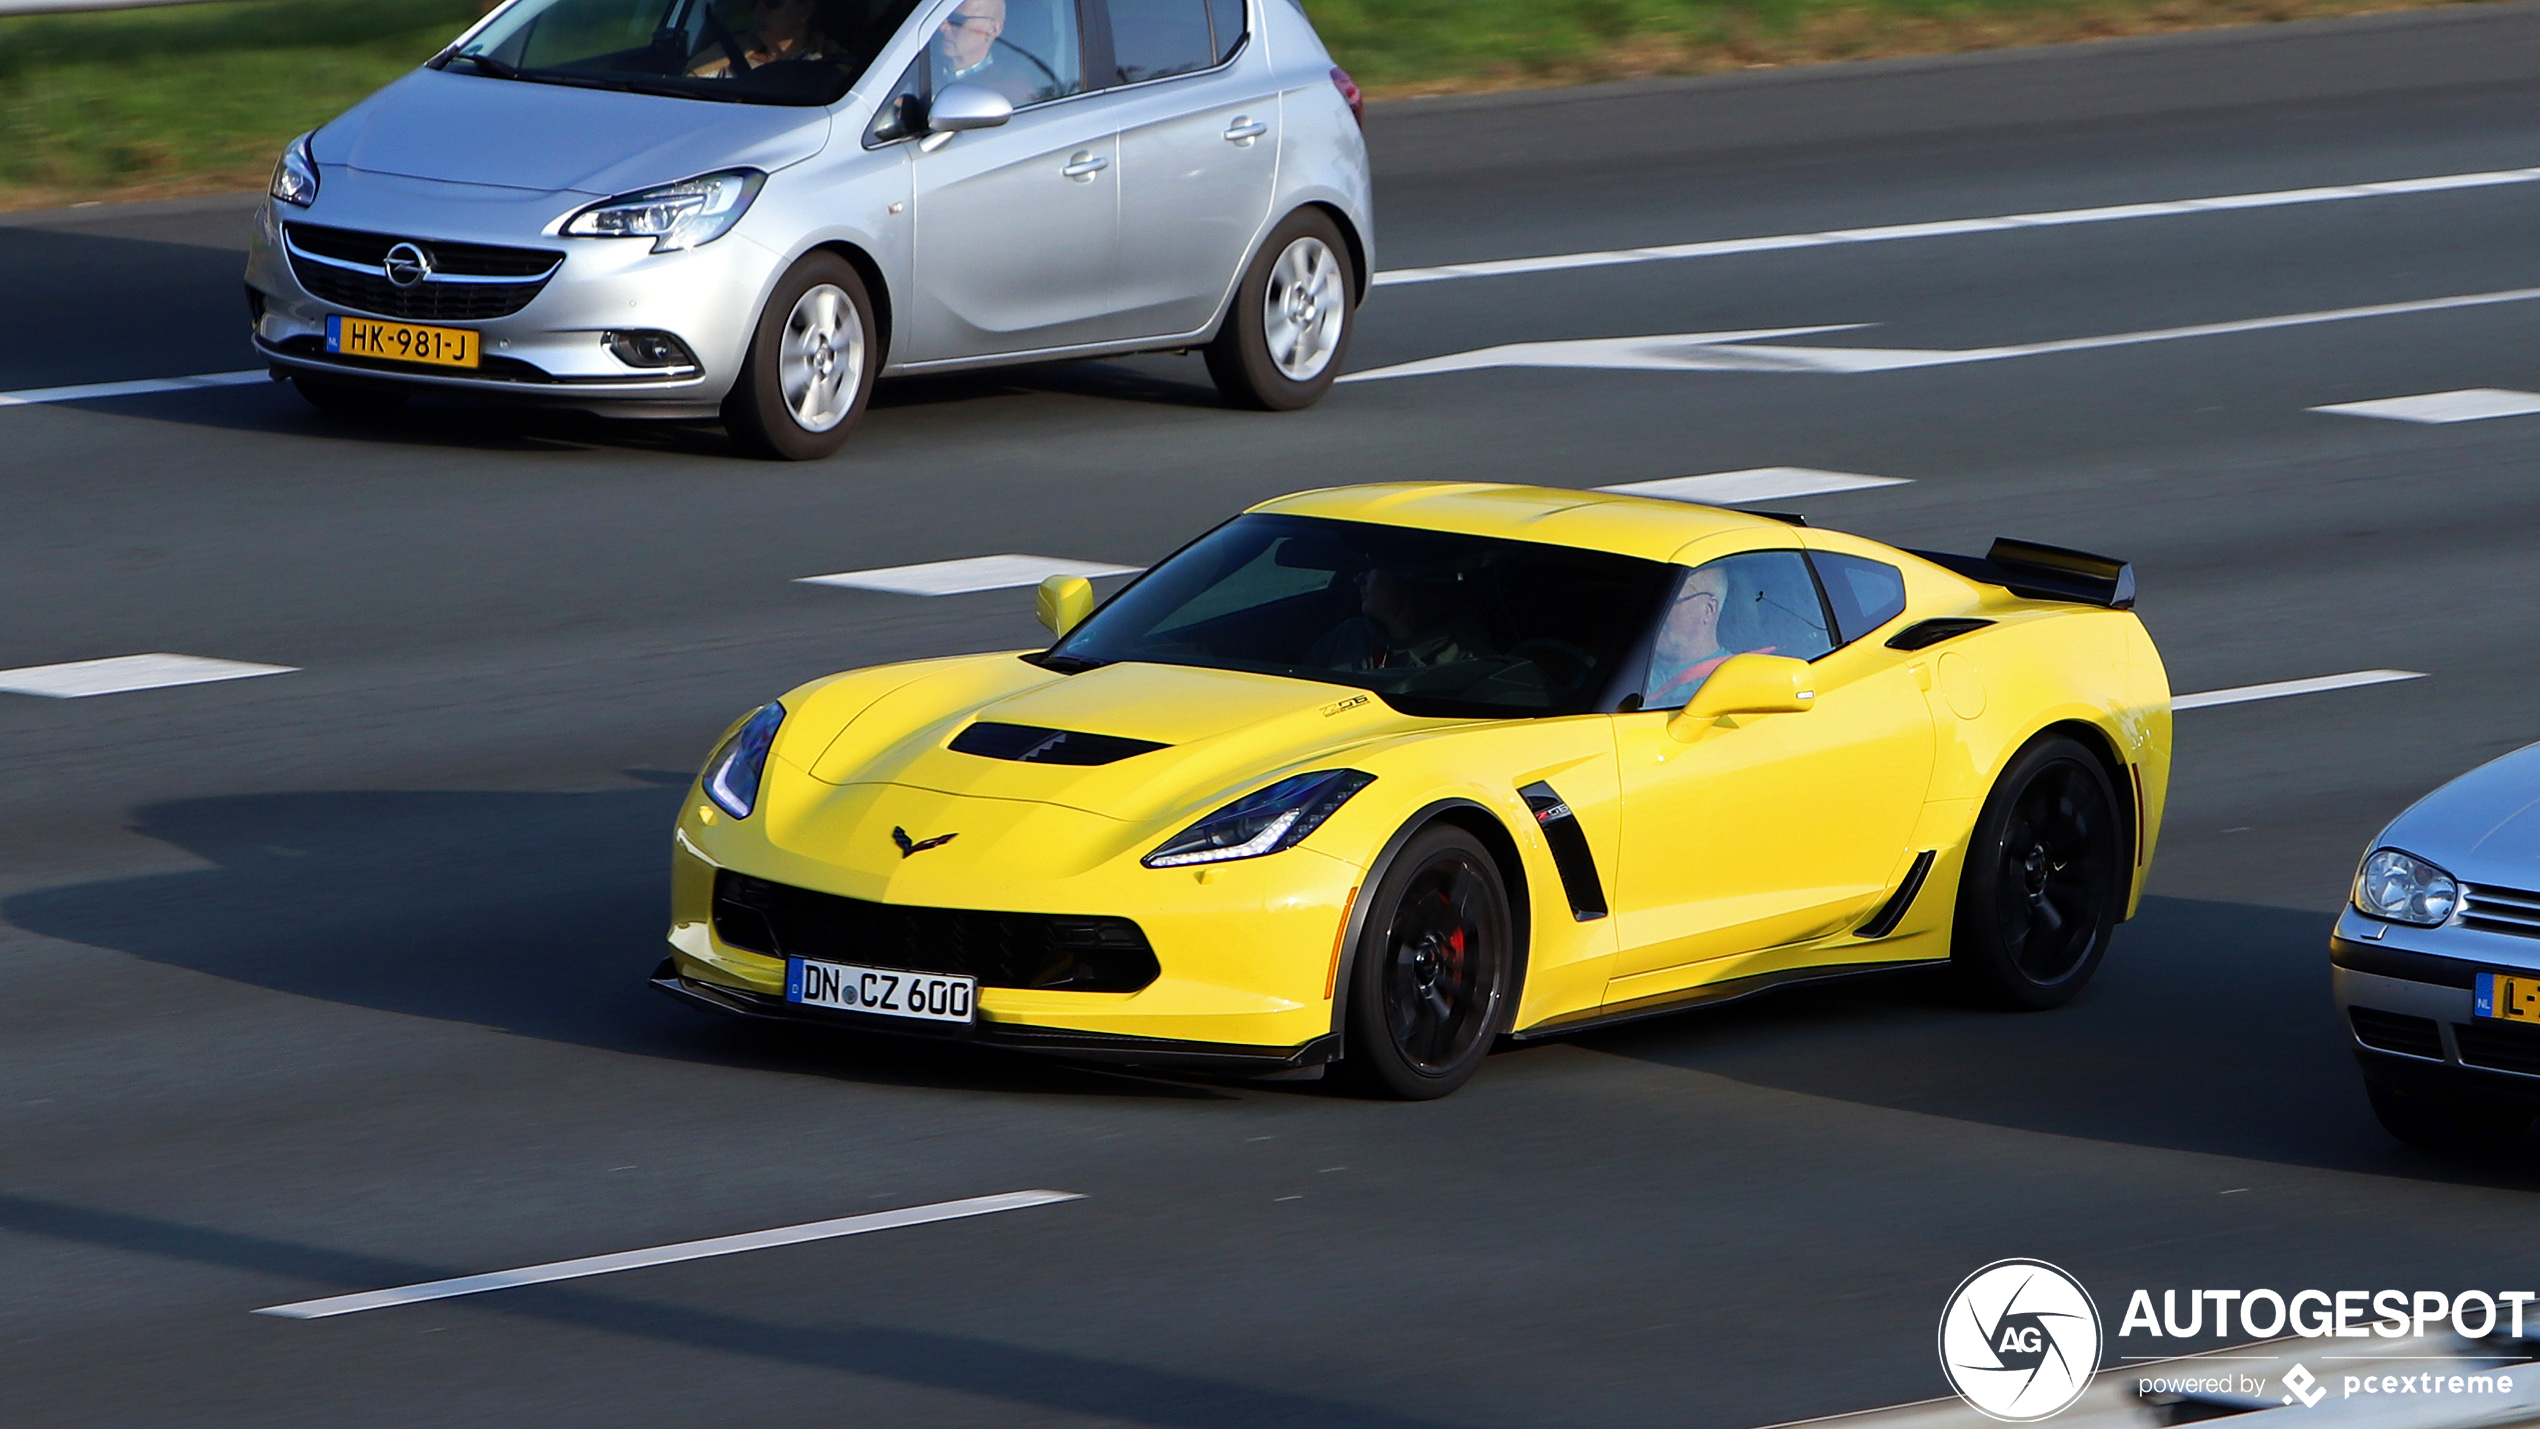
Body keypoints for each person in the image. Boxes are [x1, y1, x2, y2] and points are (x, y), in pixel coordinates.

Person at [1307, 564, 1495, 674]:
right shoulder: (1347, 635)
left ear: (1406, 578)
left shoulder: (1467, 660)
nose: (1358, 580)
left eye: (1371, 569)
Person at [1645, 564, 1762, 707]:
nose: (1657, 613)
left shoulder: (1737, 684)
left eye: (1671, 602)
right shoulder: (1628, 670)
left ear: (1709, 609)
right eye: (1654, 601)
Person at [928, 0, 1060, 106]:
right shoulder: (920, 68)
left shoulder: (1008, 92)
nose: (942, 27)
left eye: (956, 20)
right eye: (942, 18)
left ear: (993, 30)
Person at [690, 0, 827, 76]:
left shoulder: (830, 68)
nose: (759, 10)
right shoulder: (720, 57)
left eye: (771, 3)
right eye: (754, 2)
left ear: (805, 10)